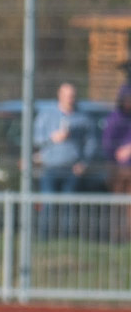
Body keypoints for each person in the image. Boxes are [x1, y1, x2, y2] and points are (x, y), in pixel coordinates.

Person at [33, 82, 96, 237]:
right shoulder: (47, 115)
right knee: (48, 204)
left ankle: (67, 240)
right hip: (50, 167)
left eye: (72, 96)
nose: (69, 99)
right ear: (59, 95)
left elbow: (91, 143)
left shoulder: (83, 118)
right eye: (66, 95)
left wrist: (84, 163)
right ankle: (45, 238)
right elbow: (36, 139)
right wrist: (52, 138)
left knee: (69, 205)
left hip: (72, 168)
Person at [101, 84, 131, 241]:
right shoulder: (115, 118)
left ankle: (127, 236)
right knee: (117, 204)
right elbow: (107, 143)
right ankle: (116, 237)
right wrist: (115, 154)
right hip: (117, 169)